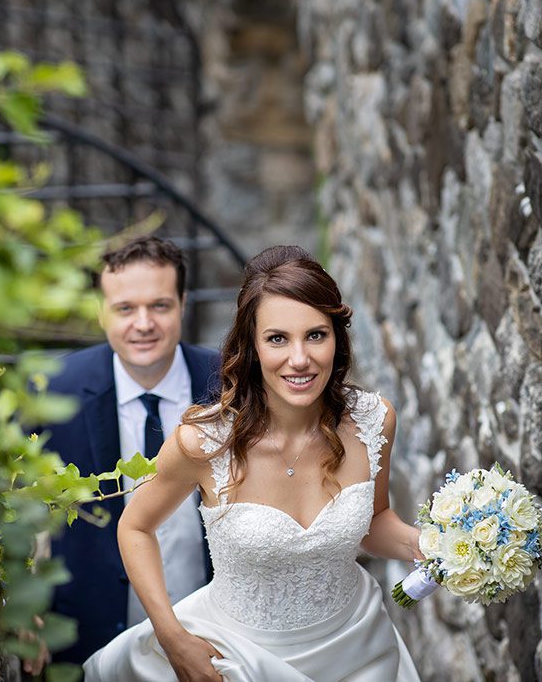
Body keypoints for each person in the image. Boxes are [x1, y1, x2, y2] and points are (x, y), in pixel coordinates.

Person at [84, 245, 423, 681]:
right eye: (277, 338)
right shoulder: (203, 442)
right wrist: (172, 638)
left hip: (358, 651)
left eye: (316, 335)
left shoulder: (374, 421)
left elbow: (374, 523)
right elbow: (135, 526)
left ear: (337, 339)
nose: (299, 359)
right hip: (238, 659)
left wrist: (429, 545)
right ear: (252, 345)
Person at [36, 237, 221, 669]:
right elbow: (12, 504)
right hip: (93, 642)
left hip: (217, 635)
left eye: (159, 305)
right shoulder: (53, 391)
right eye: (124, 308)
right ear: (101, 311)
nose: (143, 323)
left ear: (183, 303)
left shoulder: (230, 383)